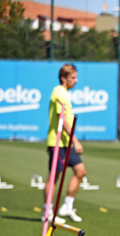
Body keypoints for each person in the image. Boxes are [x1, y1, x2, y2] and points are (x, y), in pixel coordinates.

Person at [43, 64, 86, 223]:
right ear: (64, 78)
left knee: (80, 171)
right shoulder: (59, 92)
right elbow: (62, 120)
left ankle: (67, 206)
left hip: (66, 143)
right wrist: (75, 140)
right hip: (57, 142)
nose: (76, 80)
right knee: (54, 177)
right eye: (73, 78)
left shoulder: (66, 93)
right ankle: (47, 212)